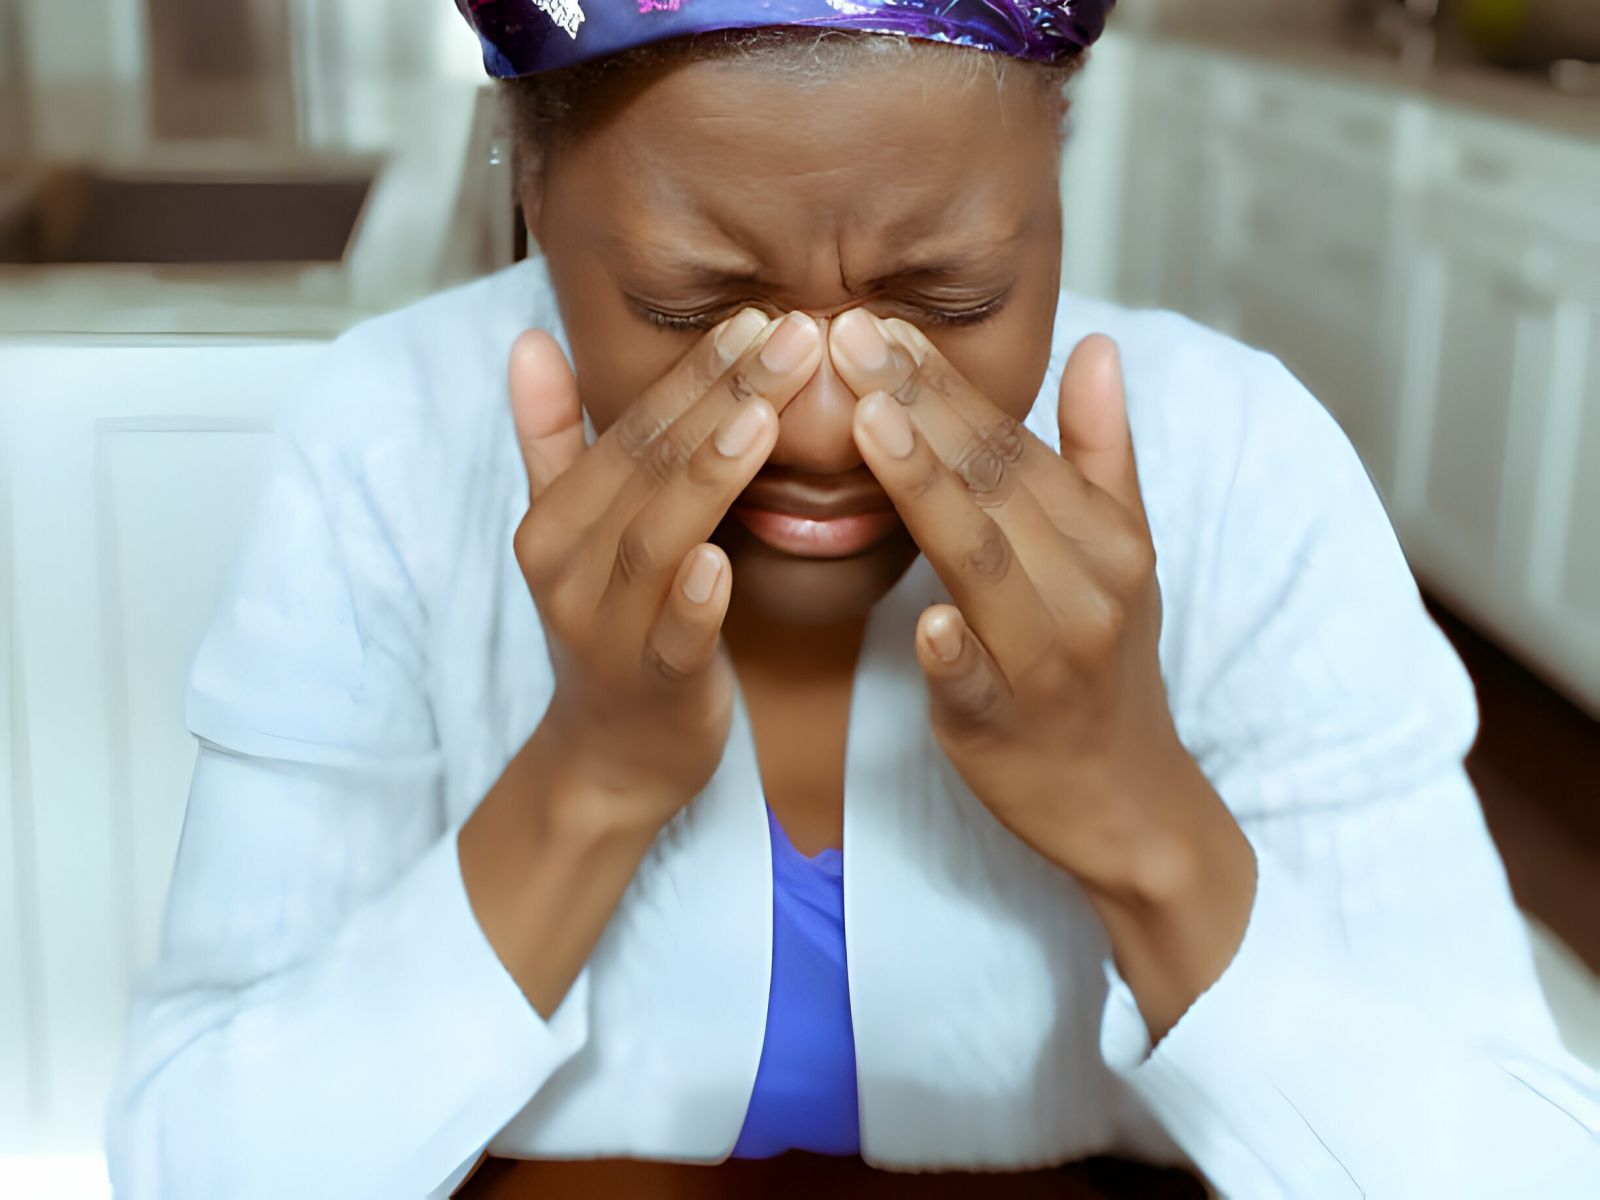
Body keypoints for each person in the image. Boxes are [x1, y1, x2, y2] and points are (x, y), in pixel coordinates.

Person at [105, 1, 1600, 1196]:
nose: (823, 429)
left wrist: (1136, 809)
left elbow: (1523, 1166)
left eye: (946, 303)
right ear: (533, 190)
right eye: (694, 313)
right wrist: (591, 777)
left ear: (1058, 173)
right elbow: (197, 1163)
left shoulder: (1236, 463)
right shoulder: (389, 439)